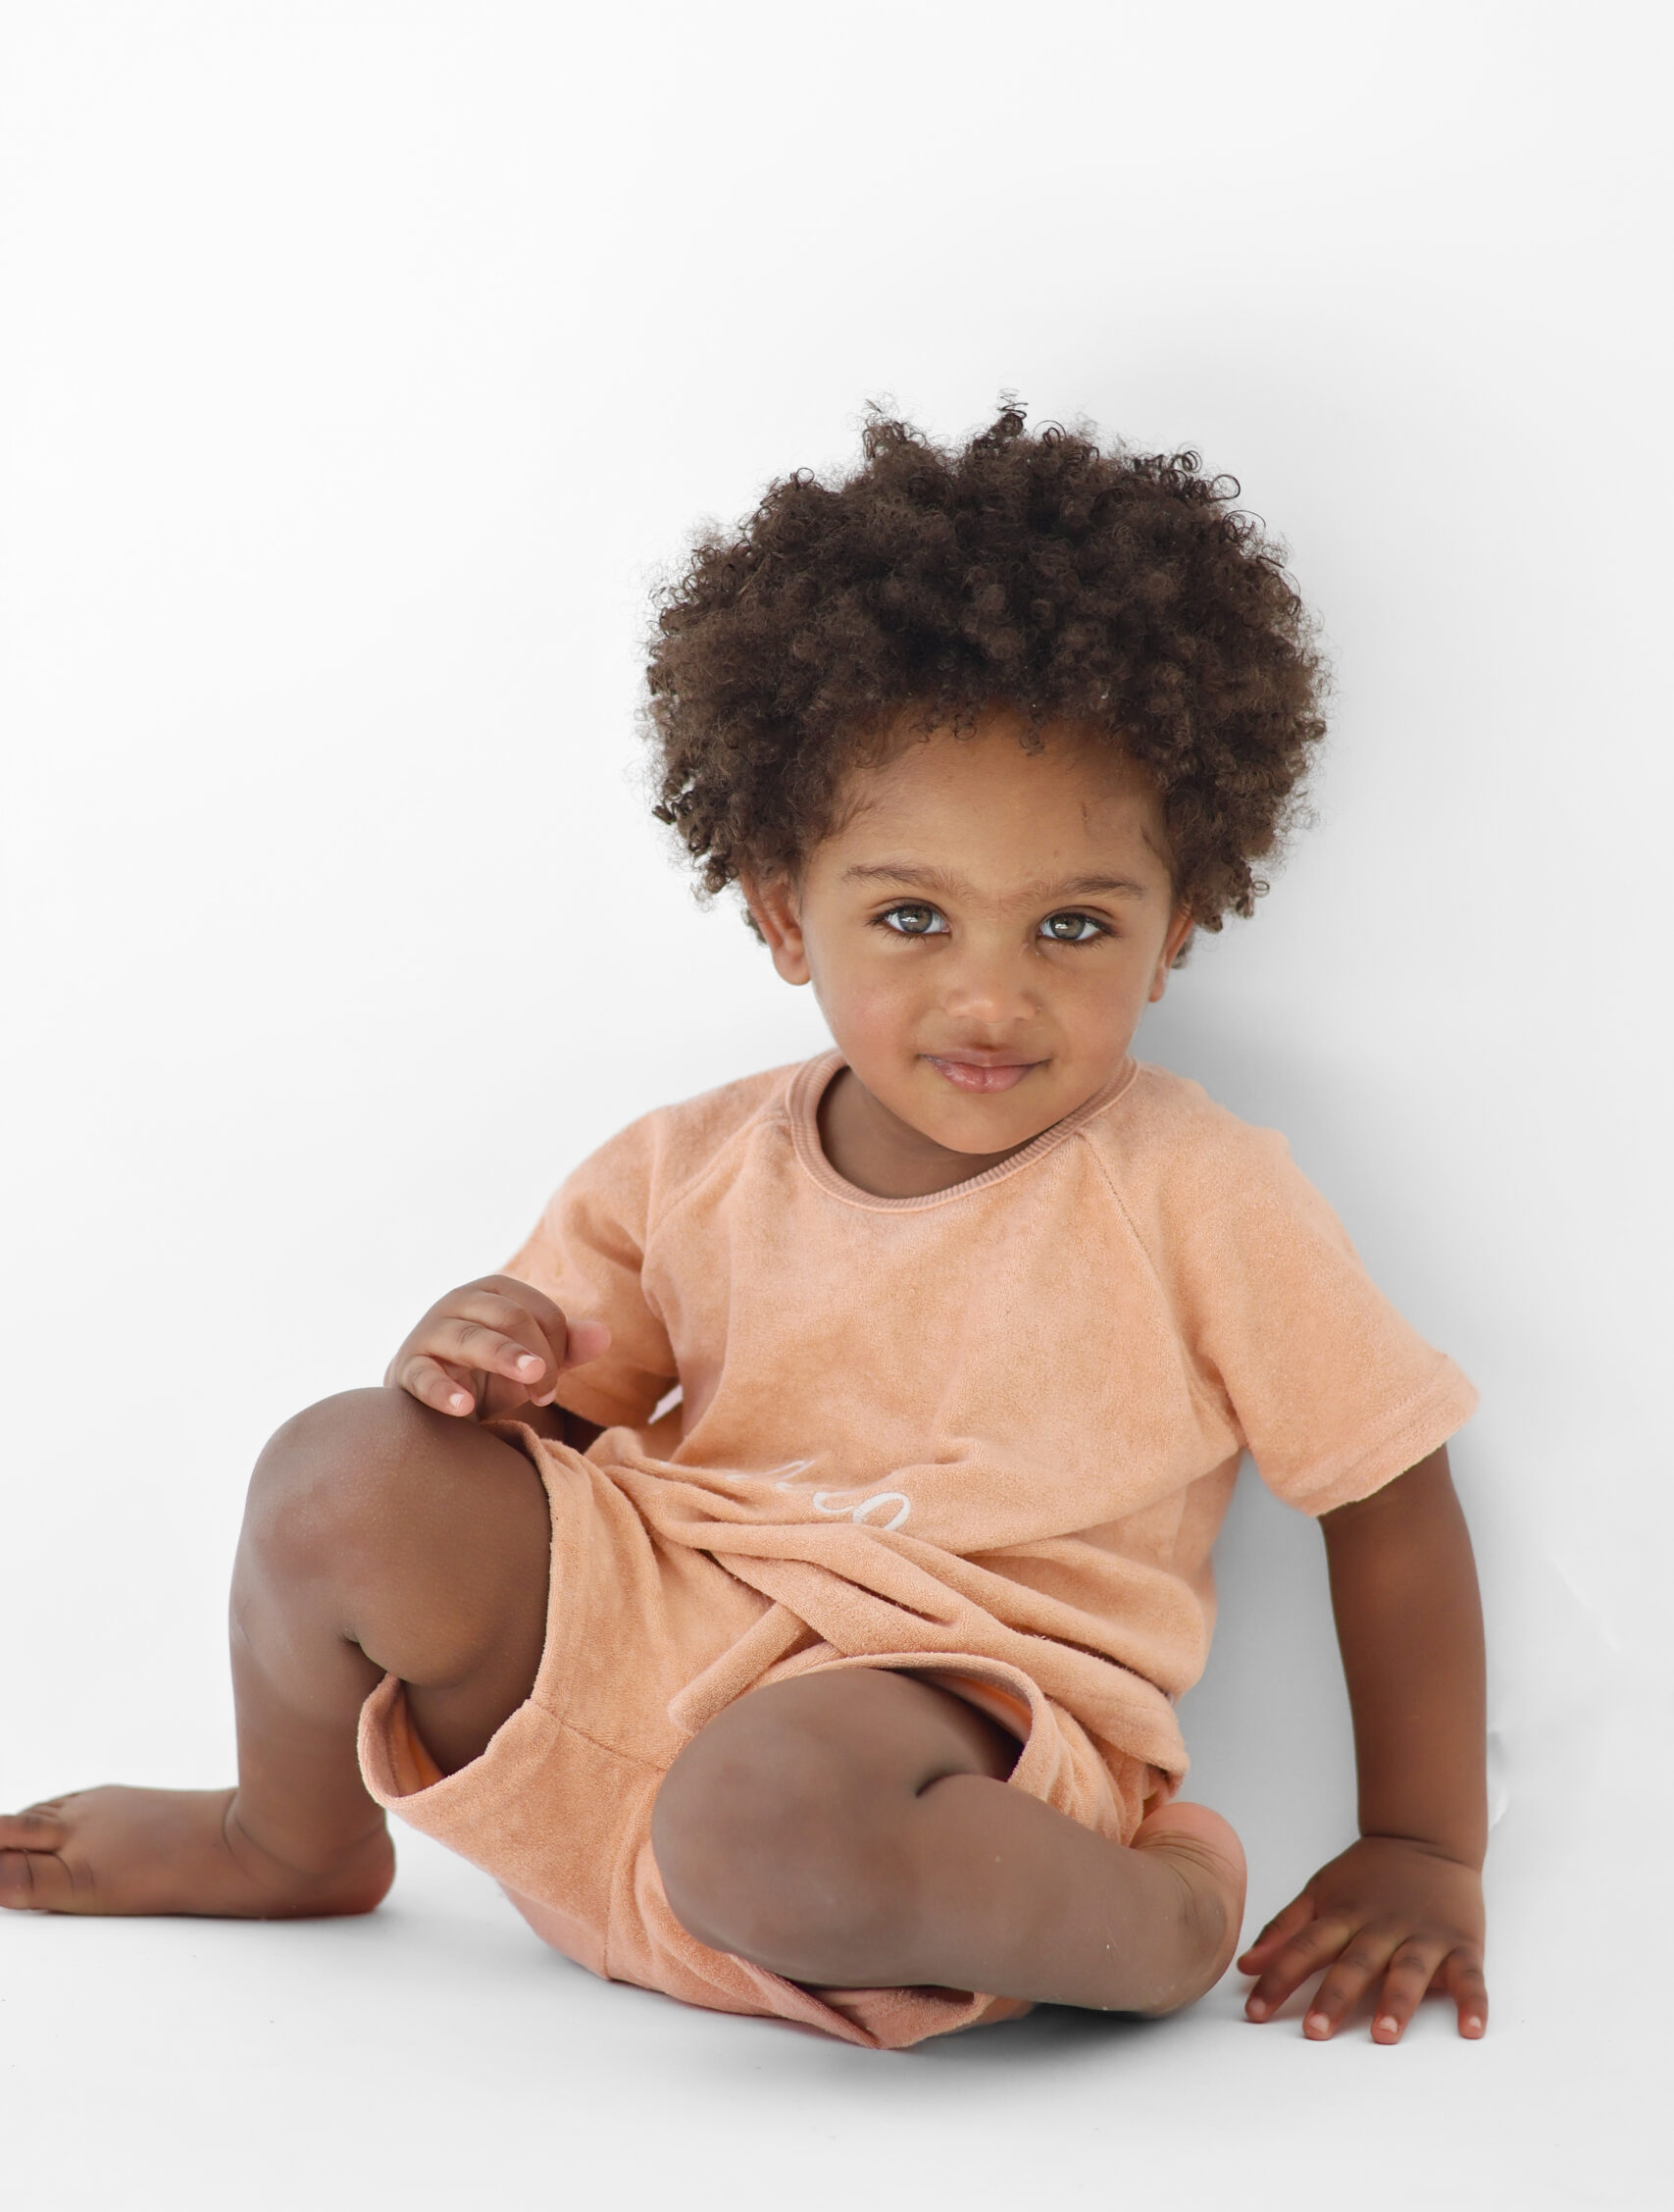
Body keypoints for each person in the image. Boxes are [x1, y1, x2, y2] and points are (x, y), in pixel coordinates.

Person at [0, 406, 1489, 2052]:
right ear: (786, 913)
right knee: (338, 1470)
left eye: (1073, 927)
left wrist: (1424, 1846)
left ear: (1179, 925)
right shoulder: (687, 1167)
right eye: (911, 916)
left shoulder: (1197, 1189)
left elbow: (1388, 1497)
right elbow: (531, 1446)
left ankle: (1155, 1920)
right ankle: (287, 1839)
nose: (991, 999)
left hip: (934, 1732)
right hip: (655, 1658)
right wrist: (469, 1365)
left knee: (764, 1802)